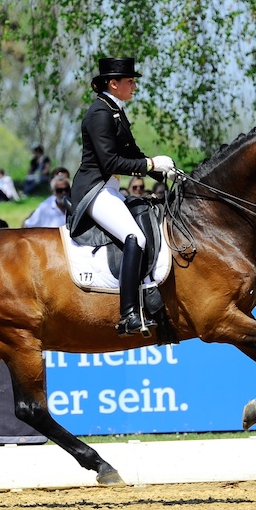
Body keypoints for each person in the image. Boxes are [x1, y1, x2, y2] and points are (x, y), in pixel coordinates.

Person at [68, 57, 174, 336]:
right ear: (113, 84)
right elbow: (112, 162)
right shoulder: (99, 114)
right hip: (95, 190)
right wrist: (150, 165)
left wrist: (163, 172)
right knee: (134, 237)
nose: (134, 85)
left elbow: (132, 154)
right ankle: (128, 314)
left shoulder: (114, 110)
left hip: (110, 188)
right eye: (130, 81)